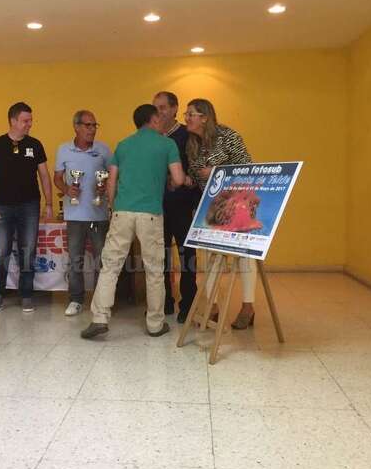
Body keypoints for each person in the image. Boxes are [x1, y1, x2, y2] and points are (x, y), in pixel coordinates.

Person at [81, 104, 185, 339]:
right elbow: (178, 179)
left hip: (122, 212)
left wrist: (114, 207)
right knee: (154, 270)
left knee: (110, 266)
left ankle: (99, 318)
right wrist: (171, 181)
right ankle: (155, 324)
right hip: (150, 214)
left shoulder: (123, 145)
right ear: (154, 120)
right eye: (160, 117)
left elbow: (111, 181)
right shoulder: (167, 144)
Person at [184, 98, 257, 329]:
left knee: (244, 254)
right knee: (209, 256)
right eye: (186, 114)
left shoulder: (228, 136)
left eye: (191, 114)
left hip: (237, 203)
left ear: (205, 118)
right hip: (210, 206)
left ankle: (248, 307)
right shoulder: (192, 143)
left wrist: (217, 171)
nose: (186, 118)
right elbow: (196, 174)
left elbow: (248, 168)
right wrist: (186, 179)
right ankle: (213, 306)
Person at [0, 102, 53, 313]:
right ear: (13, 121)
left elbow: (44, 176)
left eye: (30, 120)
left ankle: (26, 294)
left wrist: (49, 203)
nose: (29, 124)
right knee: (1, 251)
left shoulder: (35, 145)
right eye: (25, 120)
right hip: (1, 206)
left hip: (29, 206)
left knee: (28, 251)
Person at [53, 110, 112, 316]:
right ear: (76, 127)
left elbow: (112, 175)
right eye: (88, 125)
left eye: (95, 125)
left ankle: (101, 301)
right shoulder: (64, 149)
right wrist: (66, 189)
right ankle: (76, 300)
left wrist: (104, 186)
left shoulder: (104, 149)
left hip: (99, 214)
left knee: (102, 259)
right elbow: (57, 178)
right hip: (75, 215)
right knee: (75, 260)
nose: (92, 129)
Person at [153, 91, 200, 323]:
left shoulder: (187, 135)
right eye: (156, 108)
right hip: (156, 207)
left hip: (183, 206)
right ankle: (164, 303)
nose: (159, 112)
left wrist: (184, 180)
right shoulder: (151, 135)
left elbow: (196, 168)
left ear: (174, 109)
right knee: (159, 257)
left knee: (186, 256)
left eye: (163, 107)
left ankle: (187, 305)